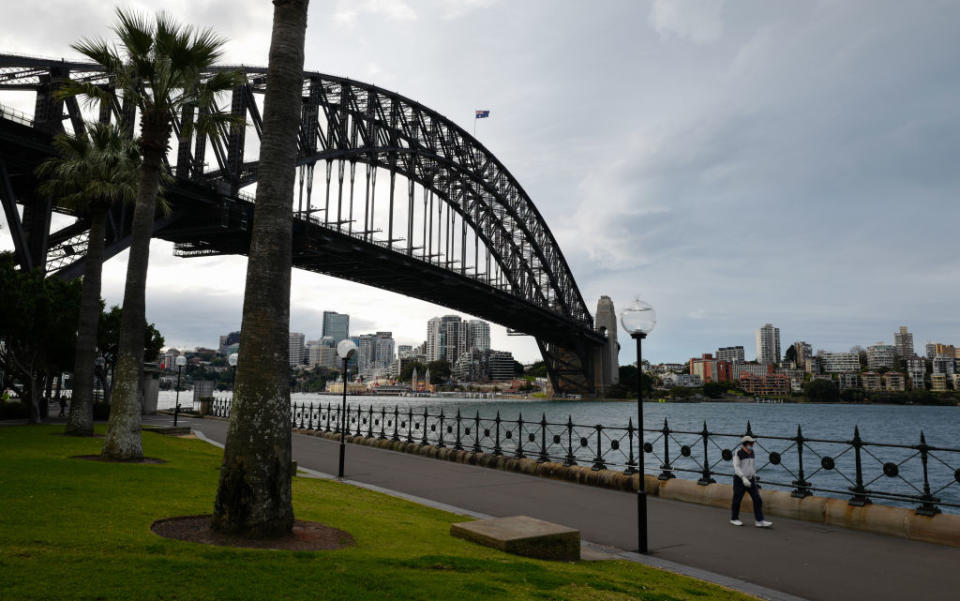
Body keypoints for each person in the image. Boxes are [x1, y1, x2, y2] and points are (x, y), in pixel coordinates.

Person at [731, 435, 773, 528]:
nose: (753, 444)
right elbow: (736, 467)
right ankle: (734, 519)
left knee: (757, 499)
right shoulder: (738, 453)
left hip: (751, 480)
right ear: (746, 444)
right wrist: (743, 478)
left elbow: (752, 466)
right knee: (737, 500)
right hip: (740, 480)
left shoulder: (752, 452)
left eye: (753, 443)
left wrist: (754, 476)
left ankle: (759, 520)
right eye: (751, 443)